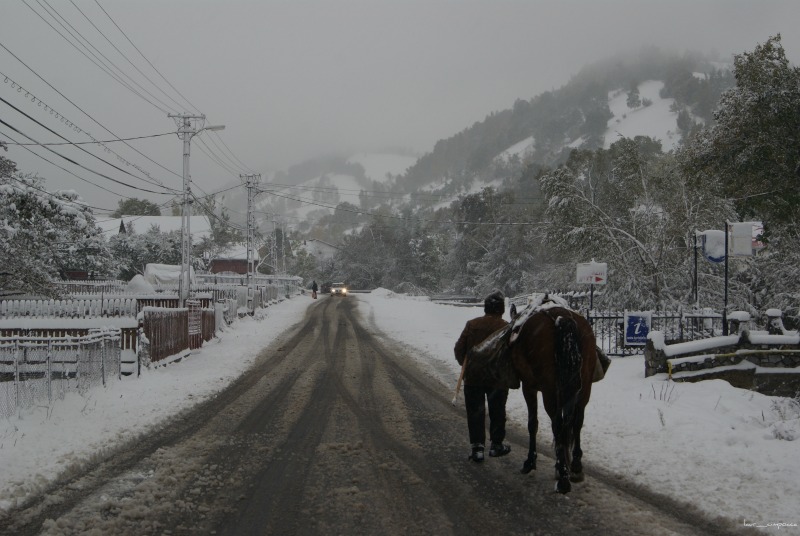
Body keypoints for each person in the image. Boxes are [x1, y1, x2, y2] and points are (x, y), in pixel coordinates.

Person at [454, 290, 511, 462]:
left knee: (475, 412)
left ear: (485, 308)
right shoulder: (506, 328)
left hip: (473, 377)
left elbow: (459, 349)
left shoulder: (472, 325)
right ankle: (496, 444)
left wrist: (466, 365)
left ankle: (477, 448)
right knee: (497, 411)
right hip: (497, 379)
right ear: (501, 309)